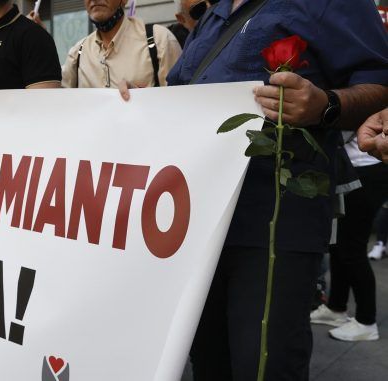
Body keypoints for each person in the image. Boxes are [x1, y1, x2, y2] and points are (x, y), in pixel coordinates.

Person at [164, 0, 388, 379]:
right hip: (202, 225)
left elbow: (380, 84)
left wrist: (326, 106)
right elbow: (179, 93)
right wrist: (135, 102)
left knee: (264, 363)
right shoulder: (216, 13)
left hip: (274, 223)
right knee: (208, 360)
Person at [310, 135, 388, 341]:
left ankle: (366, 321)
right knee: (339, 244)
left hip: (367, 169)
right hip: (351, 167)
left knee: (352, 248)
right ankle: (336, 308)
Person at [59, 0, 181, 89]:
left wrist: (143, 100)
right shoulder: (77, 53)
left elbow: (179, 104)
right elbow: (60, 104)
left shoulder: (159, 40)